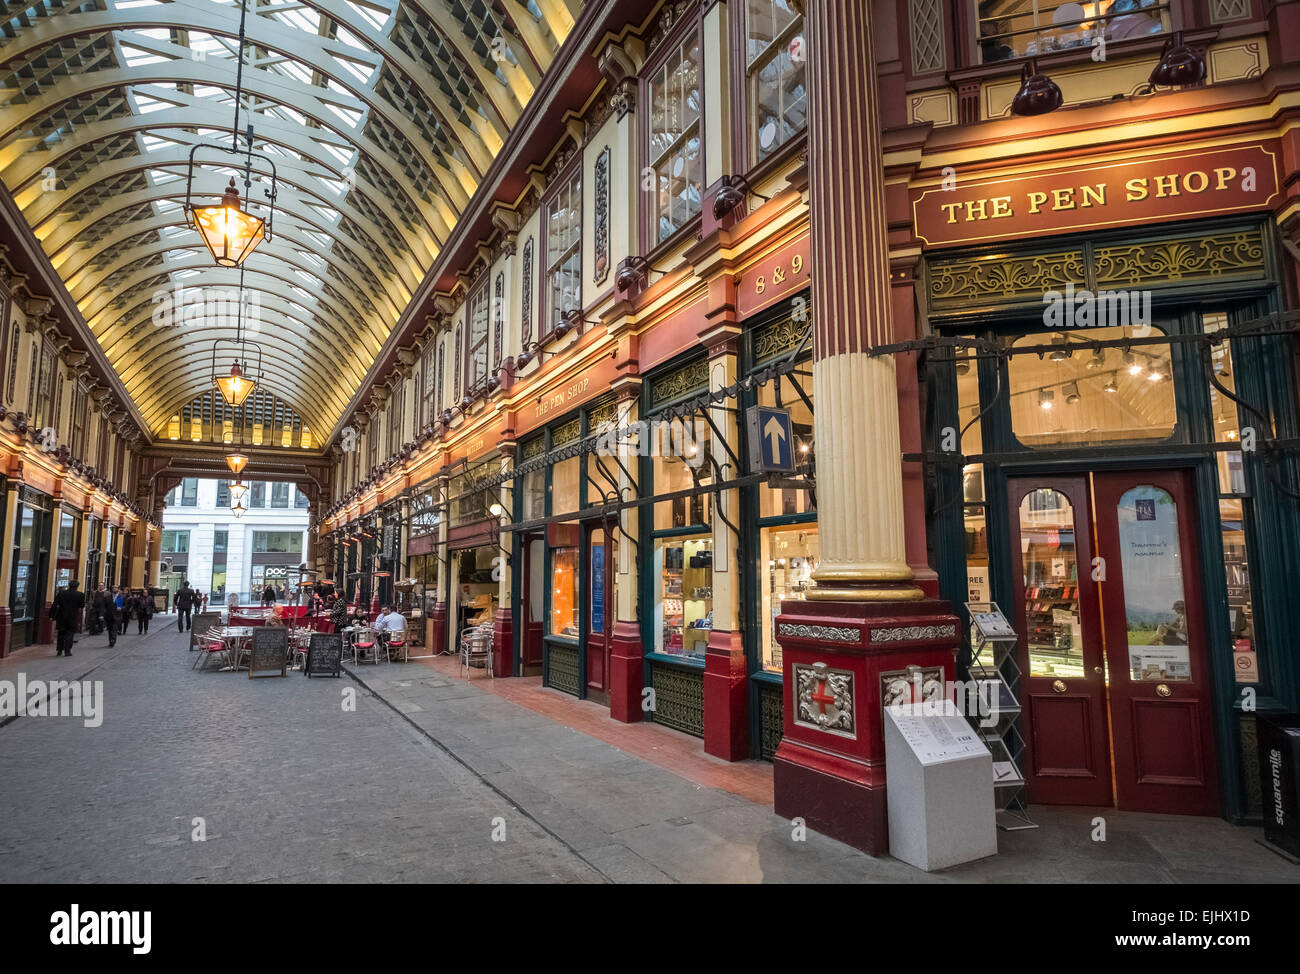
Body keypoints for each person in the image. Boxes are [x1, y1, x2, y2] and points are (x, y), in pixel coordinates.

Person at [50, 581, 85, 657]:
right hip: (72, 616)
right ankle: (67, 651)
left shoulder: (61, 593)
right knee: (70, 633)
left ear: (69, 585)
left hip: (61, 616)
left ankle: (59, 650)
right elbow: (82, 605)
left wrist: (51, 616)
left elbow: (55, 604)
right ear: (77, 586)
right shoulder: (80, 595)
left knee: (61, 633)